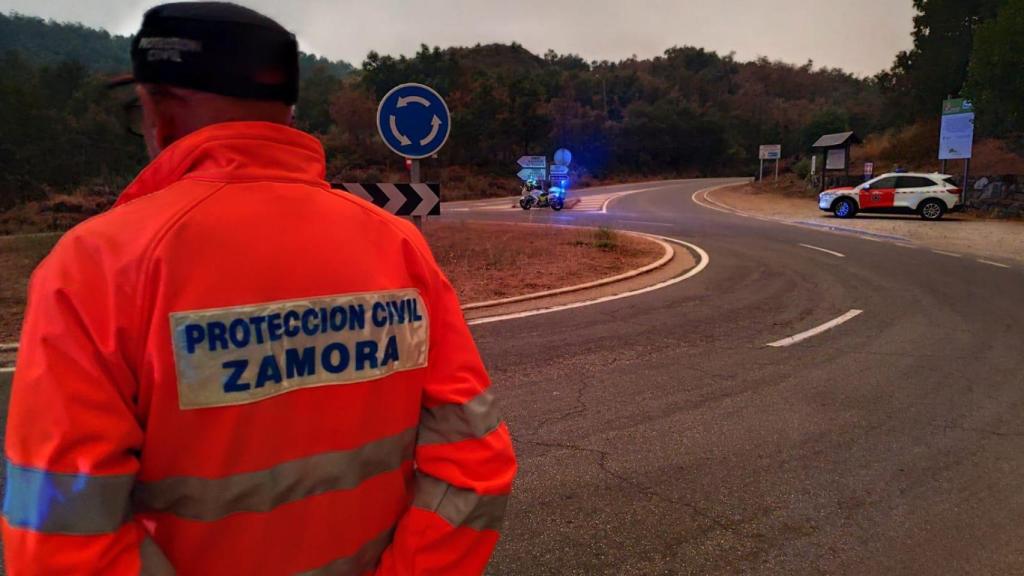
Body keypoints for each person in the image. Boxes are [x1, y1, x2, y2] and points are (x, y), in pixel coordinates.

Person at [1, 3, 516, 574]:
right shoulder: (397, 247)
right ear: (286, 112)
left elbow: (62, 540)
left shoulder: (95, 267)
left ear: (158, 112)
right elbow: (476, 465)